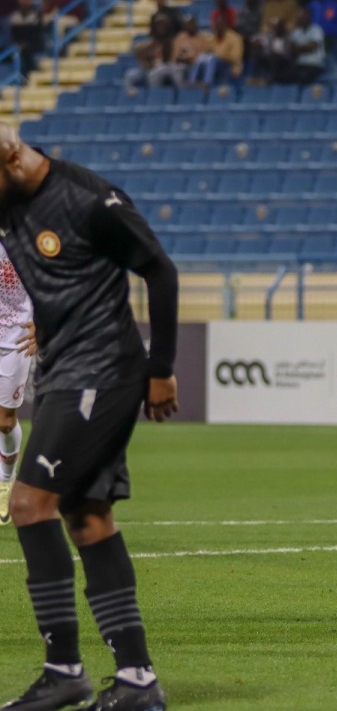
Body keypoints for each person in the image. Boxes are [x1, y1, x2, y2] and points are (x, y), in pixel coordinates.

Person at [0, 122, 178, 709]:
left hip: (100, 371)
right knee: (89, 518)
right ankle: (137, 681)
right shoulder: (11, 199)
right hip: (65, 370)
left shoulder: (88, 199)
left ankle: (64, 670)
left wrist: (162, 369)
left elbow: (159, 269)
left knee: (28, 504)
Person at [0, 241, 34, 527]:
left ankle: (4, 482)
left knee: (4, 421)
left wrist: (43, 322)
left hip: (15, 339)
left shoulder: (24, 239)